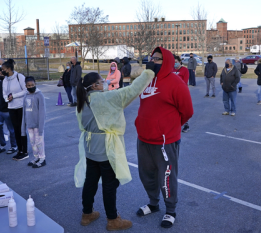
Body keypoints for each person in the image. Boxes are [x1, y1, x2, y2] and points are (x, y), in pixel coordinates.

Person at [75, 68, 155, 231]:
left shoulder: (83, 99)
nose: (104, 83)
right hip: (106, 149)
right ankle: (112, 219)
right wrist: (148, 73)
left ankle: (86, 213)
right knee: (109, 185)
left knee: (90, 182)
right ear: (95, 85)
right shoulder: (105, 98)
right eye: (101, 81)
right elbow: (131, 90)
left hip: (90, 149)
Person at [135, 47, 193, 228]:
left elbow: (187, 111)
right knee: (146, 175)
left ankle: (170, 210)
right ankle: (153, 204)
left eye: (158, 59)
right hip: (143, 138)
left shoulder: (176, 83)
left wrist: (170, 128)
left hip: (165, 141)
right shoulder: (146, 79)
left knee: (166, 178)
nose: (153, 61)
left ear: (166, 61)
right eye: (152, 58)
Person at [2, 59, 28, 161]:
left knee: (21, 130)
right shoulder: (5, 80)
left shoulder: (19, 77)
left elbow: (25, 90)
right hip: (11, 107)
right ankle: (19, 150)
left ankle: (25, 151)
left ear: (9, 69)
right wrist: (6, 98)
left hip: (20, 107)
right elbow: (4, 93)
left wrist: (14, 96)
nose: (2, 71)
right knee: (16, 130)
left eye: (3, 69)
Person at [21, 76, 47, 168]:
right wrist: (23, 128)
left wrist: (41, 127)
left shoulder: (39, 95)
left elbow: (42, 112)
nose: (31, 86)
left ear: (35, 84)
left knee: (39, 142)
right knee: (32, 142)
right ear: (26, 86)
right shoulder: (25, 96)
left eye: (32, 85)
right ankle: (36, 157)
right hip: (29, 124)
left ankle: (42, 158)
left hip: (37, 125)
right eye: (29, 85)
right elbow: (24, 112)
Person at [0, 67, 17, 154]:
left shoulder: (10, 84)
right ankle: (2, 145)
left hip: (8, 110)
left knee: (11, 129)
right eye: (0, 74)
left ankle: (14, 146)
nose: (0, 75)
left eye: (2, 73)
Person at [172, 55, 190, 133]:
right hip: (172, 92)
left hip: (181, 92)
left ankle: (186, 125)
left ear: (180, 62)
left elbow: (185, 82)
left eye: (176, 62)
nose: (174, 64)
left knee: (182, 109)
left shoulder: (184, 70)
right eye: (173, 62)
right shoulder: (171, 69)